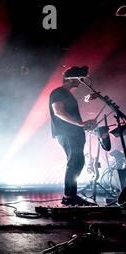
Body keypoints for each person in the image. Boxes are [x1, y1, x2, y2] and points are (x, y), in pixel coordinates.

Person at [49, 66, 97, 206]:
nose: (81, 81)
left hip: (73, 133)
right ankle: (69, 197)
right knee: (74, 162)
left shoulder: (67, 94)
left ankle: (70, 196)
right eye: (80, 78)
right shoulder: (58, 92)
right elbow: (58, 111)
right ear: (71, 79)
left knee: (78, 162)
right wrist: (80, 124)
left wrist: (82, 125)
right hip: (67, 133)